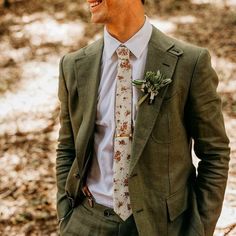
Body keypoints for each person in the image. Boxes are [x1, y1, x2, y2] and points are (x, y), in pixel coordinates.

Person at [56, 0, 230, 235]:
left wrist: (198, 230)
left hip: (161, 227)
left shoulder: (189, 63)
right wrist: (66, 217)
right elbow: (67, 147)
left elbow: (215, 153)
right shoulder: (74, 65)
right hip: (87, 222)